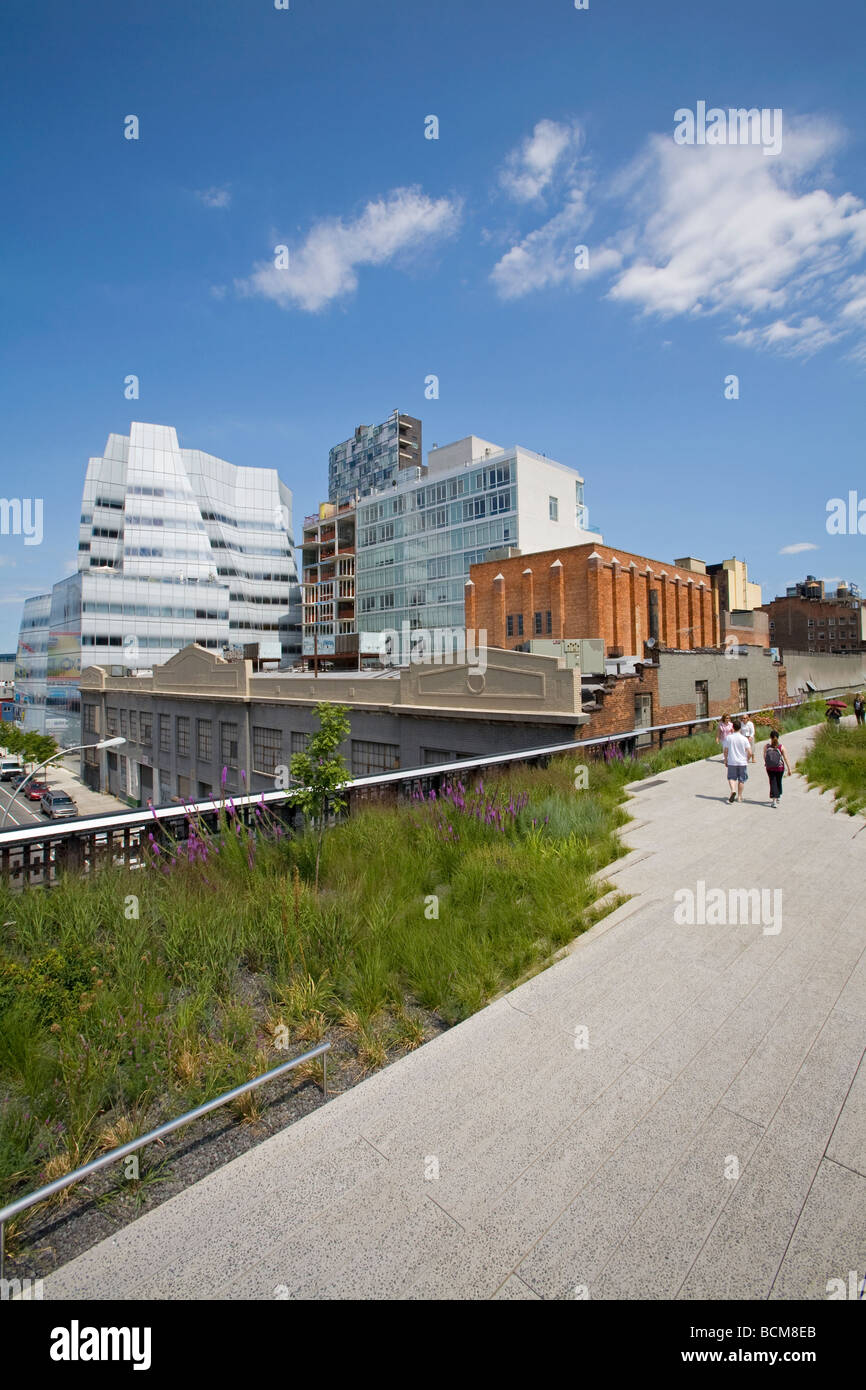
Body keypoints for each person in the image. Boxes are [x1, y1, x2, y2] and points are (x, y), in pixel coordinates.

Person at [723, 717, 752, 803]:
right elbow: (750, 752)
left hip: (732, 761)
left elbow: (726, 750)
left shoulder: (729, 738)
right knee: (741, 780)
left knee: (731, 778)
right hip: (742, 762)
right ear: (740, 728)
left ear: (733, 728)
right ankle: (739, 796)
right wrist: (747, 759)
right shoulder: (744, 739)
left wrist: (725, 760)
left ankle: (733, 790)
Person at [763, 729, 791, 807]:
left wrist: (767, 763)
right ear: (778, 737)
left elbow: (764, 756)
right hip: (780, 768)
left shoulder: (766, 746)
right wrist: (789, 769)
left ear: (770, 737)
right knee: (778, 781)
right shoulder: (781, 747)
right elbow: (785, 758)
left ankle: (774, 800)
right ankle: (778, 795)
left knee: (773, 782)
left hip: (770, 768)